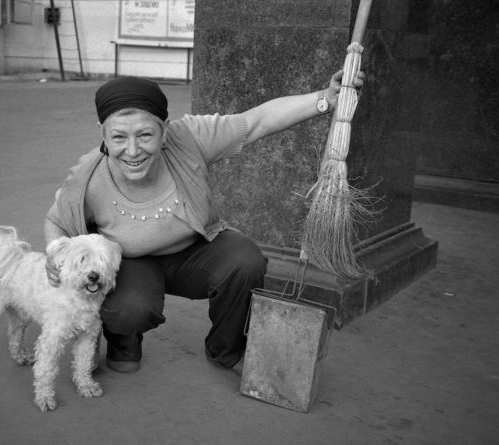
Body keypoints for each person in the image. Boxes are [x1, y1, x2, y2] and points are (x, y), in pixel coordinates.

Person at [45, 72, 363, 375]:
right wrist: (55, 254)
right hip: (133, 264)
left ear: (164, 131)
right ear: (102, 132)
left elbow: (256, 122)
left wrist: (325, 98)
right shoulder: (88, 177)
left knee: (245, 260)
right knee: (130, 307)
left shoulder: (190, 138)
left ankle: (226, 349)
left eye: (144, 135)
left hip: (195, 251)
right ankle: (123, 345)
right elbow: (57, 220)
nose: (132, 151)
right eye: (118, 137)